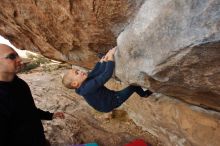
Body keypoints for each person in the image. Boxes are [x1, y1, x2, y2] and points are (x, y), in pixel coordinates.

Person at [0, 44, 65, 146]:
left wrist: (50, 115)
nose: (20, 59)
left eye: (18, 55)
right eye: (12, 56)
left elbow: (27, 110)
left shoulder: (20, 83)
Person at [62, 47, 153, 113]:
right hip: (111, 102)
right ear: (75, 83)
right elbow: (106, 75)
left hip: (106, 99)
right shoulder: (87, 88)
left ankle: (142, 93)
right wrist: (110, 59)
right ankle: (144, 94)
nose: (80, 71)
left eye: (78, 70)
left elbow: (95, 73)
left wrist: (103, 61)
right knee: (133, 87)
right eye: (77, 73)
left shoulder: (82, 84)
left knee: (97, 73)